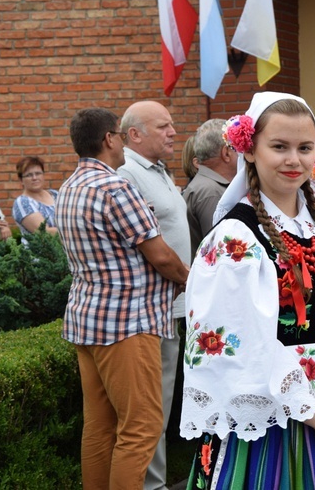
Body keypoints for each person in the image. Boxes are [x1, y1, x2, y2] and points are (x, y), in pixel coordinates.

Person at [179, 92, 315, 489]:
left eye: (304, 148)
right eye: (279, 147)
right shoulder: (236, 237)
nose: (293, 160)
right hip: (275, 417)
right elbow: (238, 343)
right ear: (249, 150)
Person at [56, 108, 189, 489]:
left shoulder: (69, 186)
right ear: (110, 139)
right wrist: (189, 281)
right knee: (142, 427)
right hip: (128, 324)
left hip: (86, 319)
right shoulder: (114, 186)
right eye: (117, 134)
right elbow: (160, 254)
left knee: (100, 426)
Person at [118, 100, 192, 490]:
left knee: (163, 401)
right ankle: (152, 485)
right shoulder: (127, 174)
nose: (173, 132)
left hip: (173, 303)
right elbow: (146, 246)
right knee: (153, 406)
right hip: (152, 307)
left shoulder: (158, 171)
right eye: (163, 126)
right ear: (134, 135)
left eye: (171, 125)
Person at [182, 118, 237, 258]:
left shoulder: (209, 186)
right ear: (226, 153)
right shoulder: (211, 192)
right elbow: (221, 251)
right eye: (237, 148)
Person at [12, 156, 59, 236]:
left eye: (38, 173)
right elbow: (44, 232)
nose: (34, 178)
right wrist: (75, 231)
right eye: (29, 175)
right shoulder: (22, 202)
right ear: (21, 180)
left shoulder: (55, 194)